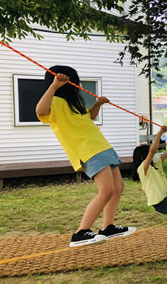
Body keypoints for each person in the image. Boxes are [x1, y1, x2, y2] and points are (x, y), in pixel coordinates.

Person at [36, 66, 136, 247]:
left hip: (102, 146)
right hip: (88, 150)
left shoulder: (75, 104)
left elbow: (88, 117)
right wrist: (54, 86)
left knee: (118, 187)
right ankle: (81, 233)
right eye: (74, 80)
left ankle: (108, 227)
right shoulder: (55, 101)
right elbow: (40, 111)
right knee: (106, 190)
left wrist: (97, 104)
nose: (77, 84)